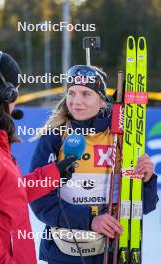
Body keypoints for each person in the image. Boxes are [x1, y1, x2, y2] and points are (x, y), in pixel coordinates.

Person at [0, 48, 76, 264]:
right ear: (4, 93)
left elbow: (7, 197)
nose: (16, 99)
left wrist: (52, 174)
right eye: (16, 91)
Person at [29, 65, 158, 264]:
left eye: (86, 94)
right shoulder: (54, 136)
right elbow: (39, 200)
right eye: (71, 93)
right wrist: (90, 220)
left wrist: (147, 180)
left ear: (101, 99)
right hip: (65, 251)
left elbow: (145, 206)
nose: (76, 101)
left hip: (116, 248)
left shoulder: (122, 137)